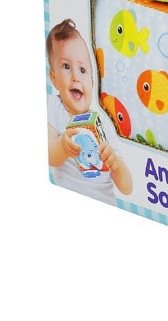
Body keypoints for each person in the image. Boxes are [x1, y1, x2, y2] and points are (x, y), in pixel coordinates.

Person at [47, 18, 132, 203]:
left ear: (92, 83)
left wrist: (115, 164)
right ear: (54, 79)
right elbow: (49, 155)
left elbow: (127, 187)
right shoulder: (55, 107)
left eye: (83, 70)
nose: (76, 77)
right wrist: (62, 146)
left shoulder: (101, 124)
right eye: (66, 66)